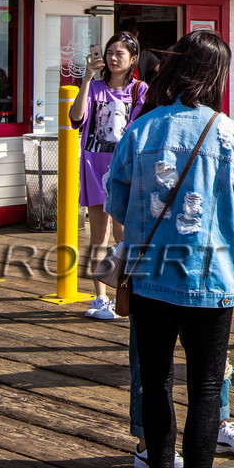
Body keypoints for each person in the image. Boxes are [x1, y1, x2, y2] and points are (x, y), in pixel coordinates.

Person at [107, 30, 234, 468]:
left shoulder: (141, 128)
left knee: (155, 384)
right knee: (206, 390)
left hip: (148, 276)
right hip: (208, 277)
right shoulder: (229, 133)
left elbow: (116, 201)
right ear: (218, 76)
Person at [72, 32, 147, 320]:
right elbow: (76, 118)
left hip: (125, 171)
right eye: (110, 52)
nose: (113, 58)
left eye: (120, 53)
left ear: (133, 58)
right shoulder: (93, 88)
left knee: (123, 234)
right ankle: (100, 297)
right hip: (94, 167)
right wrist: (86, 78)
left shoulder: (141, 90)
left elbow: (140, 129)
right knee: (98, 236)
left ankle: (125, 294)